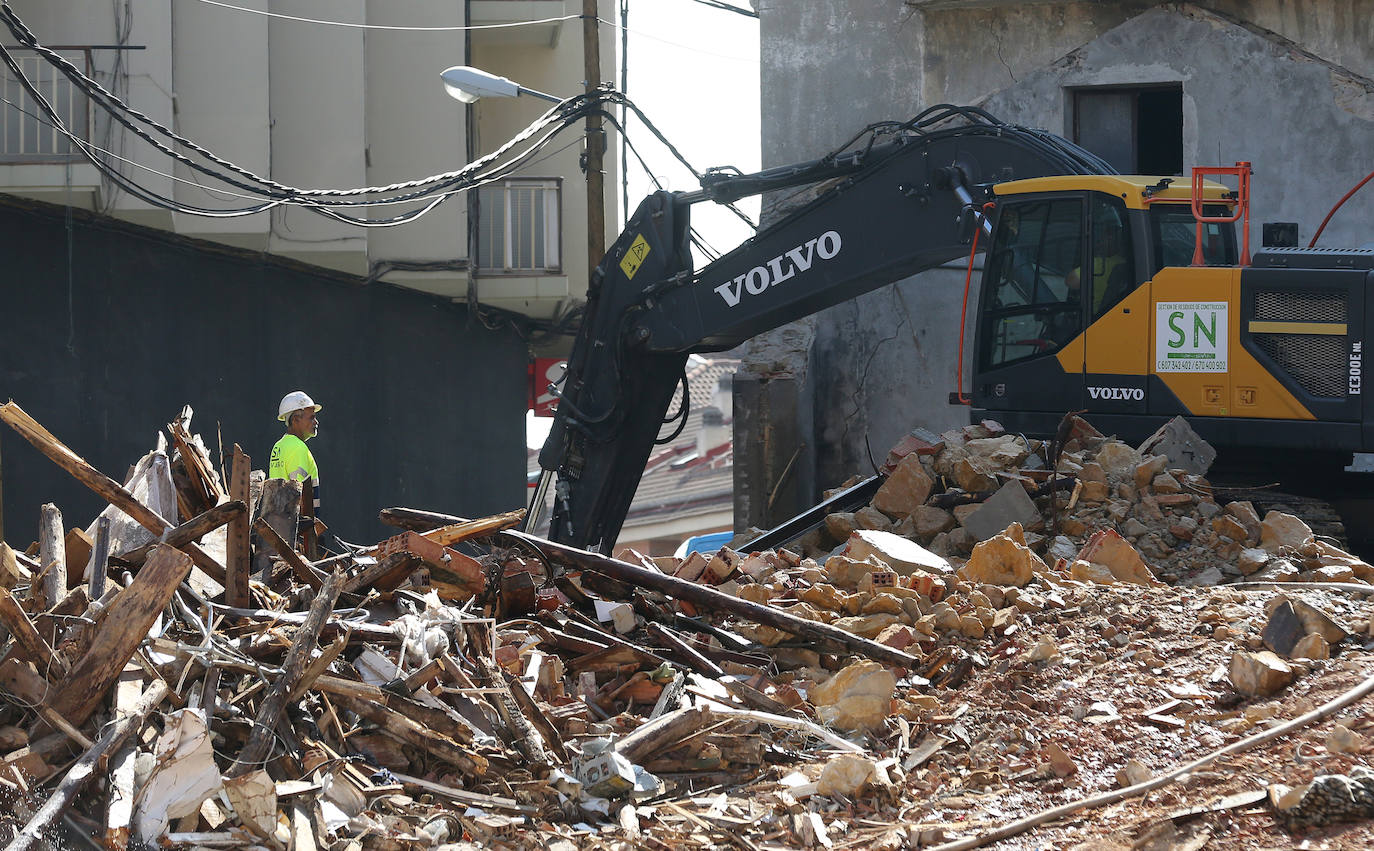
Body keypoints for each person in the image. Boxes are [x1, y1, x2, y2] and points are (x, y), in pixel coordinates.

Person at [269, 390, 322, 514]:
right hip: (298, 528)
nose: (316, 422)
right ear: (296, 419)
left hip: (277, 522)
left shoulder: (278, 446)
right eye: (311, 417)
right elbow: (301, 497)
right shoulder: (299, 447)